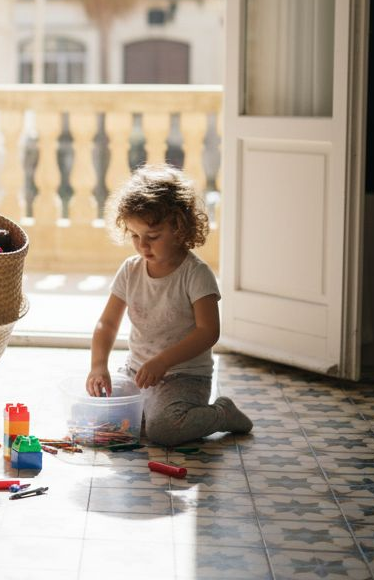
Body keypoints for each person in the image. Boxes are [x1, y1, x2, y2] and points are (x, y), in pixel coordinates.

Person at [86, 164, 254, 446]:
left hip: (184, 378)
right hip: (137, 373)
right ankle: (146, 413)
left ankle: (223, 413)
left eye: (152, 237)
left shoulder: (195, 274)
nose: (142, 246)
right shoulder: (130, 270)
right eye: (134, 236)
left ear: (179, 228)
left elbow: (208, 331)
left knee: (163, 431)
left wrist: (163, 361)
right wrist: (98, 365)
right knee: (96, 415)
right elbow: (107, 323)